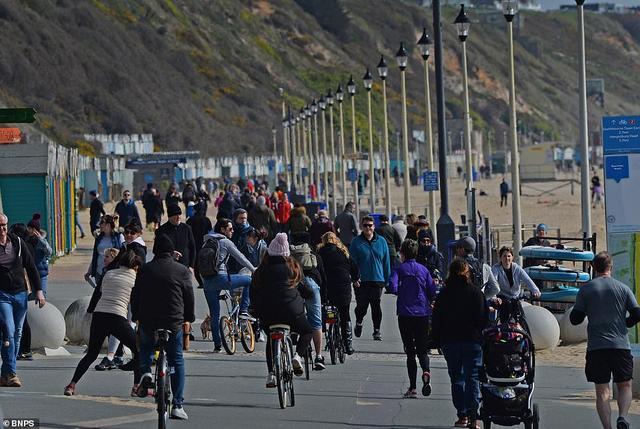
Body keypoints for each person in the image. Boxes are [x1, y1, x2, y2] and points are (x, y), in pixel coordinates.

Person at [570, 251, 640, 429]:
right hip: (620, 345)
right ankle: (623, 416)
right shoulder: (623, 288)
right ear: (611, 267)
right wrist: (625, 324)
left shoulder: (586, 289)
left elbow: (575, 319)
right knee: (625, 385)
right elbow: (637, 313)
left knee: (602, 391)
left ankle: (607, 427)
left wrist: (588, 310)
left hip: (597, 347)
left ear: (593, 267)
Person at [132, 234, 195, 420]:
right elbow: (189, 297)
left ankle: (145, 373)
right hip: (173, 321)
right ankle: (177, 405)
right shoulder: (182, 271)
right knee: (176, 359)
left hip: (148, 321)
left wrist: (136, 316)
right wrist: (188, 318)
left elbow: (135, 295)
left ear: (155, 251)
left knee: (144, 347)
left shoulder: (145, 270)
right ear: (171, 252)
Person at [63, 249, 141, 397]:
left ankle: (71, 385)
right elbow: (136, 303)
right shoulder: (134, 278)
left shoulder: (108, 274)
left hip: (99, 316)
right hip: (117, 318)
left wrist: (90, 312)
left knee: (91, 354)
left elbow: (97, 294)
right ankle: (136, 386)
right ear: (134, 264)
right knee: (138, 350)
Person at [432, 259, 488, 429]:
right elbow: (483, 318)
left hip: (450, 341)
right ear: (467, 273)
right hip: (472, 341)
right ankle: (473, 416)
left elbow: (436, 320)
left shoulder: (444, 294)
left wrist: (437, 340)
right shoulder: (475, 292)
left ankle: (461, 415)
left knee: (457, 378)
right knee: (472, 378)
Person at [250, 233, 314, 384]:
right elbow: (307, 290)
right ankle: (297, 356)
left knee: (271, 339)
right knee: (306, 331)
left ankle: (271, 374)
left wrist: (254, 308)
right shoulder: (293, 267)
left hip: (267, 312)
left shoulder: (261, 270)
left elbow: (253, 291)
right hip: (292, 310)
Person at [387, 239, 437, 399]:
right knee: (422, 348)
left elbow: (392, 286)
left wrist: (400, 292)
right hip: (422, 313)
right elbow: (432, 290)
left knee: (410, 351)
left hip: (405, 313)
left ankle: (413, 387)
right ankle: (426, 371)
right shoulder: (423, 270)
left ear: (402, 253)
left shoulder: (400, 269)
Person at [0, 213, 45, 387]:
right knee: (10, 331)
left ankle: (5, 373)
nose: (2, 229)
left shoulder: (18, 242)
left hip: (20, 294)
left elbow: (31, 267)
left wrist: (39, 291)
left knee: (17, 333)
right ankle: (12, 373)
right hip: (2, 295)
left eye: (4, 225)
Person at [201, 218, 256, 352]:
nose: (232, 231)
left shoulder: (206, 242)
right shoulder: (225, 242)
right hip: (222, 278)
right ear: (222, 230)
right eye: (230, 229)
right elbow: (241, 258)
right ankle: (243, 311)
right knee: (249, 281)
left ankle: (217, 345)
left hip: (207, 282)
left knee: (215, 314)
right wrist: (253, 270)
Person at [349, 216, 391, 341]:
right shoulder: (356, 242)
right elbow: (352, 262)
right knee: (362, 306)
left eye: (370, 225)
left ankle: (376, 330)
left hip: (377, 279)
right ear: (362, 227)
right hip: (361, 280)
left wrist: (386, 280)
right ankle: (359, 321)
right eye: (365, 225)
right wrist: (354, 278)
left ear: (374, 227)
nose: (368, 228)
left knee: (376, 305)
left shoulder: (381, 241)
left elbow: (386, 262)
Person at [290, 232, 327, 370]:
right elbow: (323, 277)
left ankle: (295, 343)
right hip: (312, 286)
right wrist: (325, 297)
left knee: (296, 318)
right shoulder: (314, 255)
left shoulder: (290, 256)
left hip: (295, 287)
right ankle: (318, 357)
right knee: (316, 323)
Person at [18, 214, 53, 361]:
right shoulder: (25, 240)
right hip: (30, 274)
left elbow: (49, 252)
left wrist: (40, 239)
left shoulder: (40, 241)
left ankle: (31, 315)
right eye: (29, 228)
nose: (30, 230)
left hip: (41, 273)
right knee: (29, 298)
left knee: (40, 295)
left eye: (32, 228)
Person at [317, 232, 359, 355]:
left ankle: (329, 333)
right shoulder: (344, 252)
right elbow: (354, 267)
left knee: (329, 310)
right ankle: (348, 345)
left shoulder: (320, 253)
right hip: (343, 288)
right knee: (345, 314)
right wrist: (355, 279)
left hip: (328, 288)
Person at [490, 246, 541, 325]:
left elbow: (527, 279)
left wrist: (535, 290)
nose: (507, 258)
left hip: (515, 297)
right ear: (500, 257)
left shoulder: (517, 268)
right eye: (504, 256)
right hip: (502, 297)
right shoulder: (495, 269)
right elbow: (493, 283)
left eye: (509, 256)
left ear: (512, 257)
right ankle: (504, 329)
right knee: (505, 312)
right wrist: (494, 298)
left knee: (520, 316)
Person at [86, 215, 125, 286]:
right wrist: (89, 271)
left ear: (108, 225)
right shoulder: (99, 238)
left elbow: (123, 253)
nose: (99, 225)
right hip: (99, 271)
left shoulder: (119, 237)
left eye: (102, 223)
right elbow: (95, 255)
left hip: (114, 271)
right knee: (99, 294)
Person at [156, 204, 196, 269]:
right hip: (168, 268)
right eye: (176, 215)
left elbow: (193, 248)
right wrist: (171, 253)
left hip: (185, 267)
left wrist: (191, 266)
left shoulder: (187, 228)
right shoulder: (161, 230)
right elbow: (156, 250)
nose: (178, 217)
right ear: (170, 217)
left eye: (179, 214)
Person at [186, 202, 212, 288]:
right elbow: (210, 233)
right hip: (205, 245)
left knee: (196, 264)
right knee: (205, 263)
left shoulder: (190, 220)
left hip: (193, 245)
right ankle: (206, 281)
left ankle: (201, 283)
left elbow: (186, 234)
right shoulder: (207, 220)